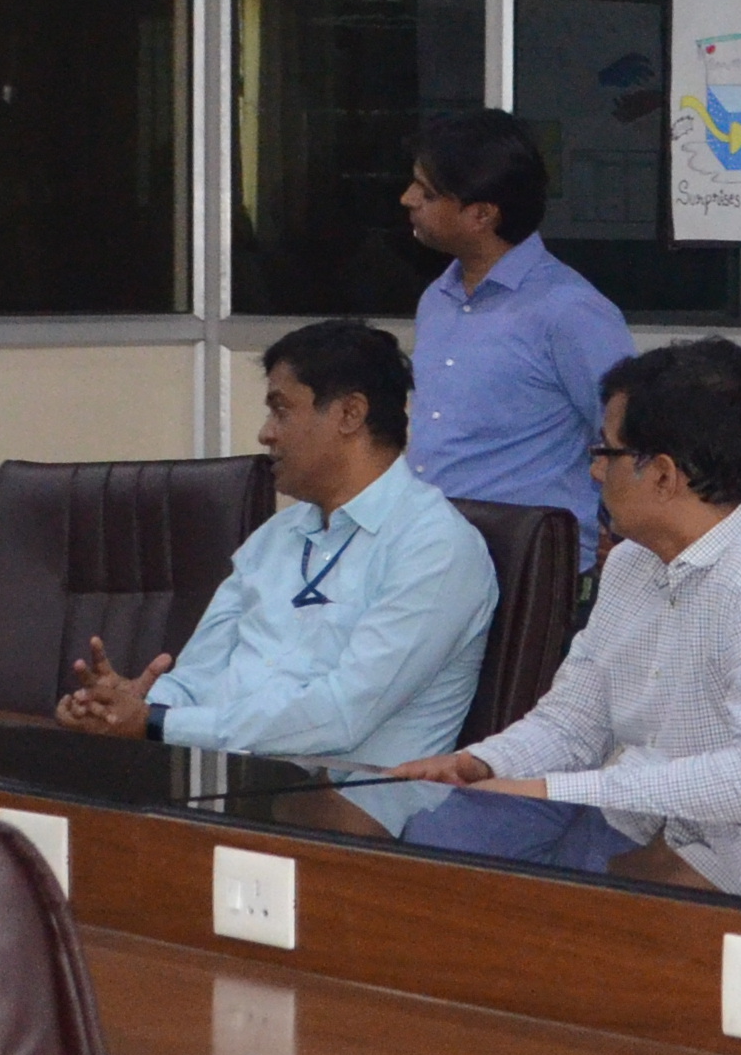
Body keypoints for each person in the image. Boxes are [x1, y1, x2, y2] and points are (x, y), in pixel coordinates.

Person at [385, 337, 741, 895]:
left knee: (563, 910)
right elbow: (574, 723)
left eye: (607, 452)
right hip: (643, 817)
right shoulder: (630, 564)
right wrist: (482, 762)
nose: (596, 471)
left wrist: (563, 789)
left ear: (663, 475)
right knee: (441, 835)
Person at [55, 319, 497, 764]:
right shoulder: (276, 536)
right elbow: (197, 678)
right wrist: (124, 705)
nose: (266, 433)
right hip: (233, 782)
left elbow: (339, 718)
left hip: (355, 794)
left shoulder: (435, 547)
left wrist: (155, 722)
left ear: (350, 414)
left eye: (281, 411)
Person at [402, 109, 633, 531]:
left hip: (526, 554)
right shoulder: (437, 298)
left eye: (427, 193)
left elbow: (630, 441)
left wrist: (618, 537)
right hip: (434, 545)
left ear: (482, 215)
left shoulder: (570, 311)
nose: (408, 199)